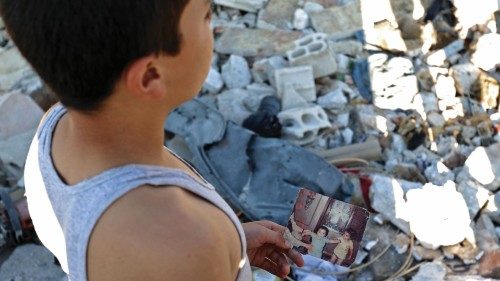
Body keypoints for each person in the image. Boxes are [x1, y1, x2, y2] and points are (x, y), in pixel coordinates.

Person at [0, 0, 304, 280]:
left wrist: (228, 245)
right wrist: (205, 251)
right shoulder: (178, 248)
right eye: (207, 15)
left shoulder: (54, 124)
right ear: (150, 77)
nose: (216, 26)